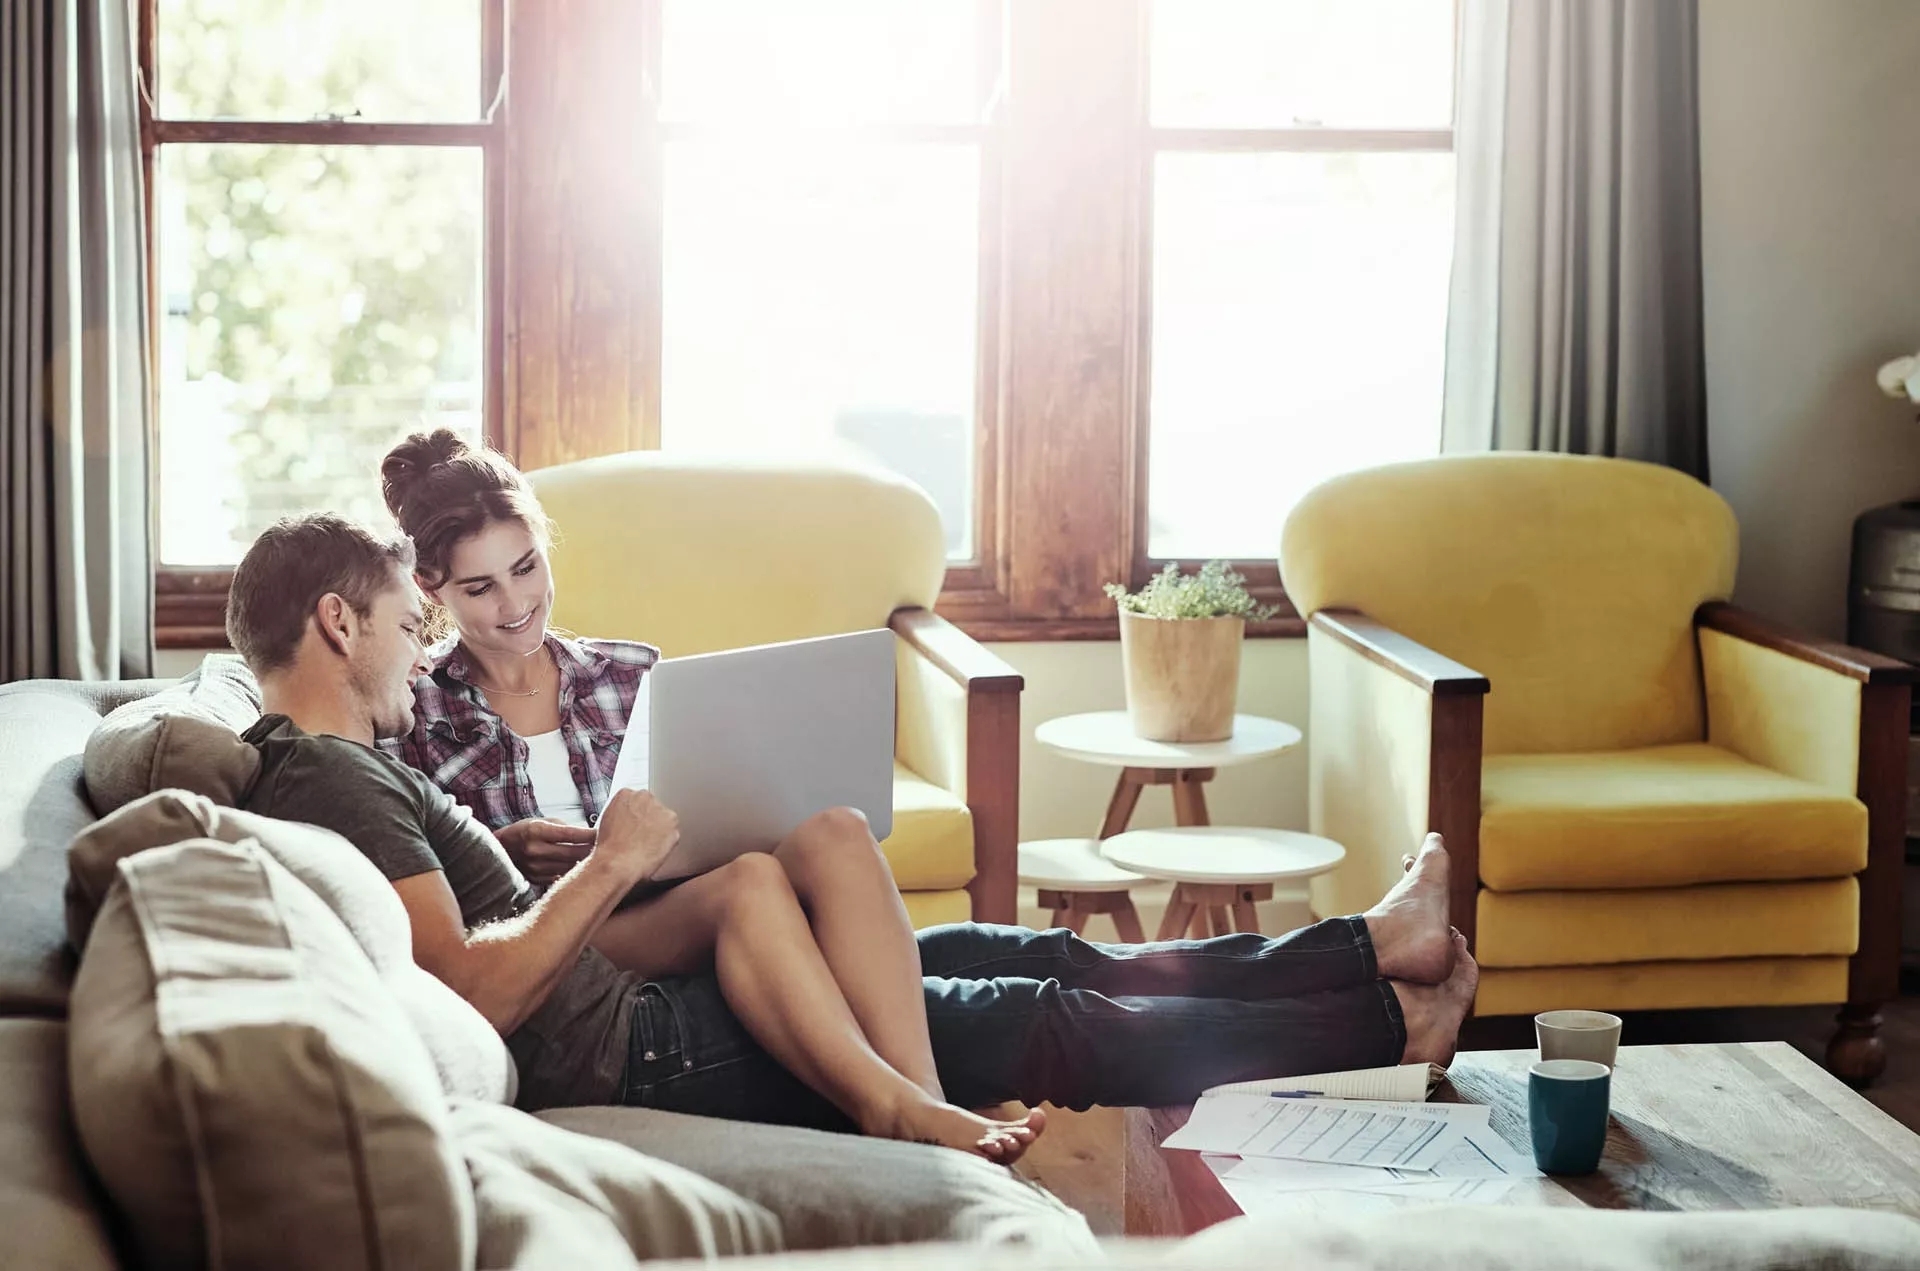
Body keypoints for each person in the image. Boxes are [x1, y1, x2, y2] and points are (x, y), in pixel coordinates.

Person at [223, 514, 1473, 1154]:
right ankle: (1378, 1018)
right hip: (649, 1038)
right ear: (337, 623)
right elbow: (475, 987)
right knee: (1015, 1017)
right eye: (405, 620)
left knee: (1016, 952)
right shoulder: (335, 775)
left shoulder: (331, 766)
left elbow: (478, 954)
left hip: (662, 984)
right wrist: (607, 858)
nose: (416, 647)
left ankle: (1368, 944)